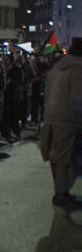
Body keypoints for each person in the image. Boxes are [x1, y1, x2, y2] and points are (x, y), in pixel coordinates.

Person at [40, 39, 81, 208]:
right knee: (66, 161)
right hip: (69, 121)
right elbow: (78, 101)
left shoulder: (57, 69)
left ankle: (61, 192)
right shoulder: (78, 70)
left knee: (58, 160)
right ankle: (61, 194)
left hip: (53, 119)